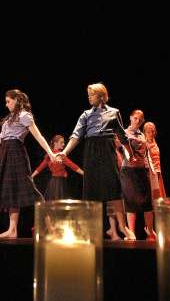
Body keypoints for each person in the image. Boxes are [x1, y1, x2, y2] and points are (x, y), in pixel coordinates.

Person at [57, 83, 136, 241]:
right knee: (91, 191)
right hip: (91, 151)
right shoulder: (85, 115)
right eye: (88, 94)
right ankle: (89, 229)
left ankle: (122, 227)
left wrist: (131, 153)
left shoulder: (114, 112)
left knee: (114, 189)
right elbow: (76, 135)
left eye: (91, 94)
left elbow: (121, 134)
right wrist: (64, 153)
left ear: (101, 96)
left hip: (107, 150)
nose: (89, 97)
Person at [0, 89, 56, 238]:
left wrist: (50, 153)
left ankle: (51, 229)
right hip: (5, 153)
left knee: (31, 190)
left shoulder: (25, 116)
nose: (6, 105)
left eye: (8, 101)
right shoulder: (10, 118)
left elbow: (39, 136)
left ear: (17, 100)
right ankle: (12, 230)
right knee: (11, 190)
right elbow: (0, 138)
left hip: (16, 153)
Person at [121, 109, 155, 240]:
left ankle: (150, 231)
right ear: (130, 118)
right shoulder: (124, 132)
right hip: (128, 171)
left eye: (140, 120)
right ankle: (132, 233)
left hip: (142, 170)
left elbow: (147, 151)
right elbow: (120, 144)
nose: (137, 121)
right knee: (130, 201)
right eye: (135, 118)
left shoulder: (142, 135)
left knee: (147, 203)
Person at [31, 134, 83, 199]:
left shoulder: (53, 156)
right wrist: (31, 176)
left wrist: (31, 176)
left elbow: (72, 165)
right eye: (61, 142)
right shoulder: (58, 156)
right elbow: (40, 167)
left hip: (55, 182)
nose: (63, 144)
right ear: (55, 143)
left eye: (63, 142)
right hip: (59, 183)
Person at [143, 121, 166, 201]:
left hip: (158, 171)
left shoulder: (154, 141)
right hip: (151, 173)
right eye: (148, 132)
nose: (151, 134)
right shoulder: (144, 143)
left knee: (160, 196)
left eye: (152, 131)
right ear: (145, 132)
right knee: (153, 197)